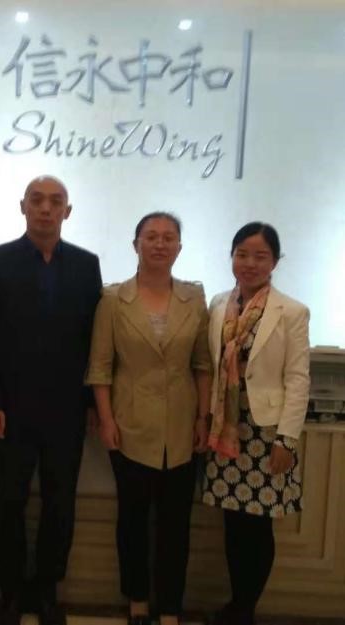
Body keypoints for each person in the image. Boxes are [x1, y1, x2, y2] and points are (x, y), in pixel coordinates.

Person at [0, 175, 103, 625]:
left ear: (68, 211)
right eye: (37, 200)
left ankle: (47, 589)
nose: (46, 208)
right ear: (22, 206)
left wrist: (92, 403)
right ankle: (9, 593)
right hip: (7, 409)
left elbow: (93, 340)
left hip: (66, 410)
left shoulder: (86, 265)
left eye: (55, 201)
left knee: (60, 502)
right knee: (8, 502)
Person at [86, 212, 212, 625]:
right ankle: (137, 599)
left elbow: (203, 364)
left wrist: (204, 418)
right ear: (135, 244)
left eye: (168, 237)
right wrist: (106, 420)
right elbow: (100, 367)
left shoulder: (194, 298)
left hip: (182, 427)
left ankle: (171, 606)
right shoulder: (112, 300)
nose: (160, 244)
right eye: (151, 236)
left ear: (179, 247)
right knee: (133, 520)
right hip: (129, 425)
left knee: (176, 524)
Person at [201, 222, 310, 625]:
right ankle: (236, 604)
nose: (249, 263)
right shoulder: (218, 304)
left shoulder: (291, 311)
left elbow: (298, 379)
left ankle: (245, 609)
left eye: (260, 256)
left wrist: (287, 439)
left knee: (258, 525)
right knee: (232, 521)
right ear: (231, 256)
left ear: (275, 262)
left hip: (266, 432)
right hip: (226, 426)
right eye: (242, 254)